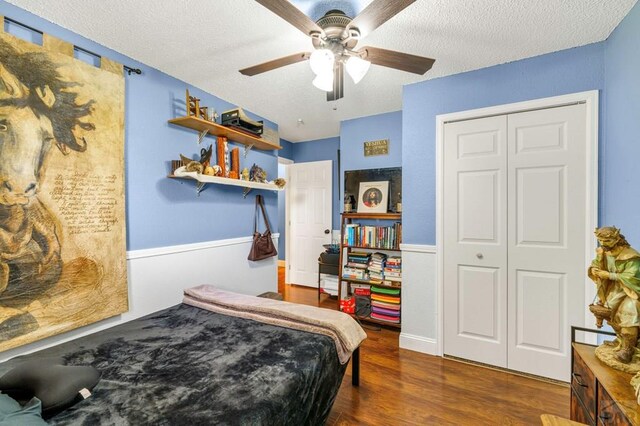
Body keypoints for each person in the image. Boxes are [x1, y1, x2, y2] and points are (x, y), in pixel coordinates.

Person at [588, 226, 640, 363]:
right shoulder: (603, 252)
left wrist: (609, 275)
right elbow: (595, 264)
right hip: (613, 289)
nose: (604, 244)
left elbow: (633, 278)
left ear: (617, 238)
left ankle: (628, 349)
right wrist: (594, 270)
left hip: (630, 292)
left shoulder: (631, 256)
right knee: (612, 316)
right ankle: (622, 341)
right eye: (600, 241)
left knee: (629, 314)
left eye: (608, 241)